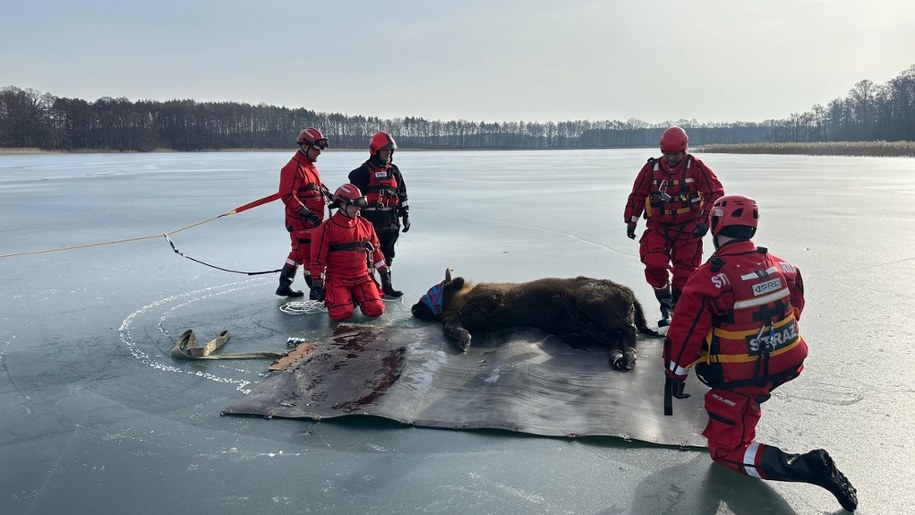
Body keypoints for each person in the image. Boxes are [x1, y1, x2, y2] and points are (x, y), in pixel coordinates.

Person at [663, 195, 858, 512]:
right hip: (789, 360)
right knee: (746, 402)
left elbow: (684, 334)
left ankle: (806, 466)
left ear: (715, 226)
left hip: (745, 376)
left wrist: (675, 374)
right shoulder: (780, 264)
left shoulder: (710, 278)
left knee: (724, 451)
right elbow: (795, 297)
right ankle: (748, 413)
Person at [624, 126, 724, 326]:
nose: (670, 159)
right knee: (654, 262)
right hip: (658, 226)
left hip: (689, 227)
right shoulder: (650, 169)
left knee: (685, 273)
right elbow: (637, 196)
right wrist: (631, 221)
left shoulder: (696, 167)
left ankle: (678, 310)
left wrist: (705, 222)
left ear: (684, 151)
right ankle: (665, 307)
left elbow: (716, 194)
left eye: (675, 155)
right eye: (667, 154)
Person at [308, 184, 392, 321]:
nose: (358, 209)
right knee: (341, 314)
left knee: (376, 309)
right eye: (354, 205)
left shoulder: (366, 225)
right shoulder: (325, 228)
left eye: (359, 205)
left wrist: (384, 273)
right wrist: (317, 284)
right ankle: (345, 299)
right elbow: (318, 259)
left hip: (362, 278)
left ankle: (354, 297)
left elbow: (376, 252)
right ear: (341, 204)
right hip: (338, 279)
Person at [347, 131, 409, 298]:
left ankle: (387, 286)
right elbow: (353, 193)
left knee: (387, 255)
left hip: (391, 221)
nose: (388, 153)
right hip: (370, 222)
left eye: (390, 151)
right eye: (385, 150)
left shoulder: (394, 171)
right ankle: (368, 288)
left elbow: (402, 194)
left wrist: (406, 215)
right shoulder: (363, 172)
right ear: (375, 151)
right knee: (369, 257)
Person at [275, 128, 330, 298]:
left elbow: (317, 187)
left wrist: (331, 195)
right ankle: (315, 290)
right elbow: (287, 196)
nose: (319, 153)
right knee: (308, 255)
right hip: (301, 222)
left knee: (298, 253)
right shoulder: (293, 168)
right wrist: (306, 213)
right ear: (305, 146)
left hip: (313, 220)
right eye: (316, 149)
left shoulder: (310, 166)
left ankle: (284, 285)